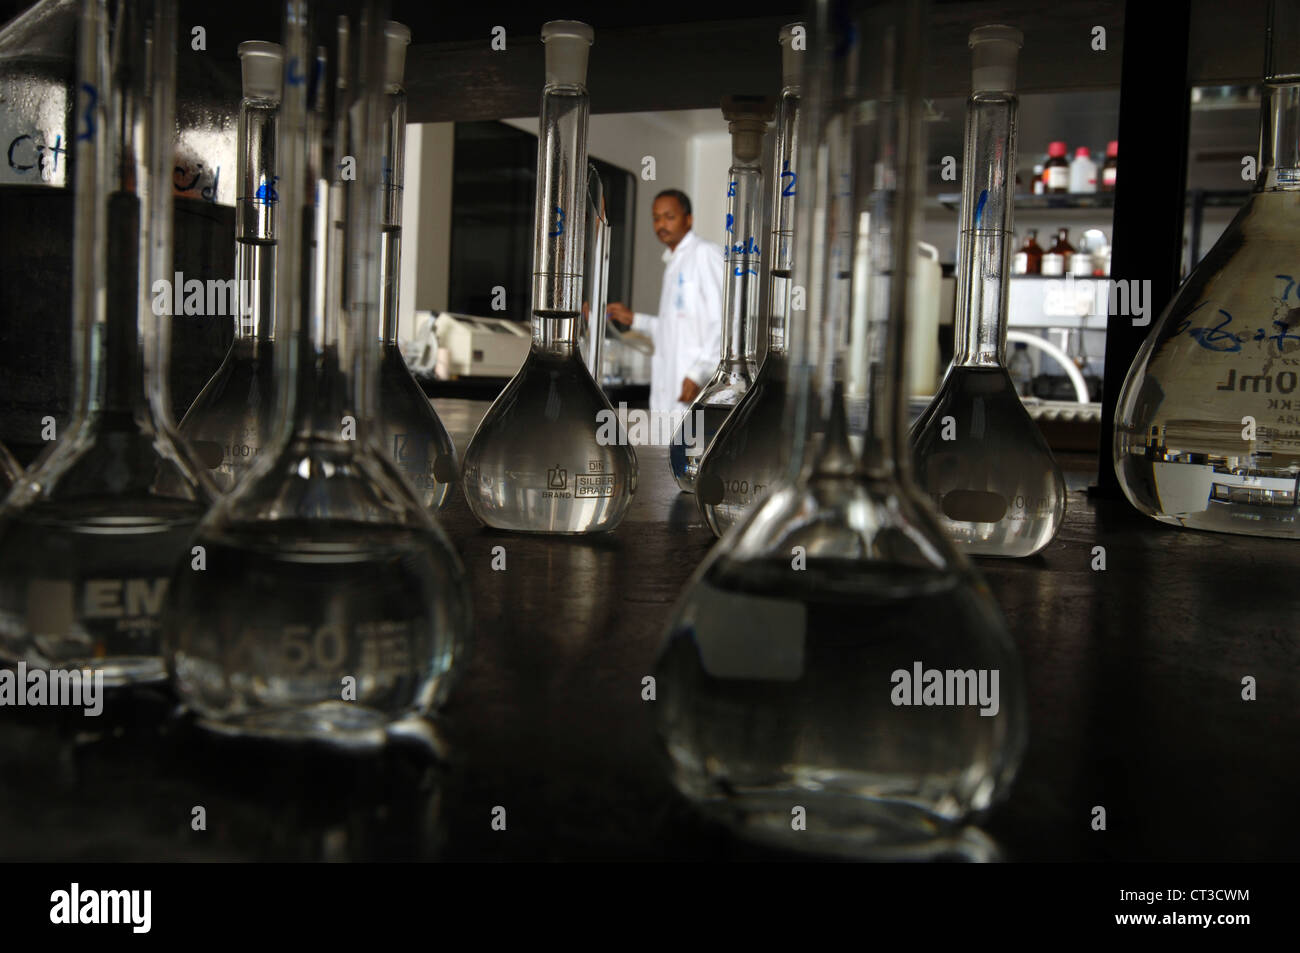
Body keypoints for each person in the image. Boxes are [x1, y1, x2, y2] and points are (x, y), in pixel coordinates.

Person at [606, 189, 723, 419]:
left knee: (691, 449)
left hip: (694, 385)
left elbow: (723, 321)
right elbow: (674, 327)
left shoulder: (705, 254)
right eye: (656, 218)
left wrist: (698, 373)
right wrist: (634, 320)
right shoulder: (673, 262)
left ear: (688, 219)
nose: (661, 224)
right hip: (670, 389)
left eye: (670, 217)